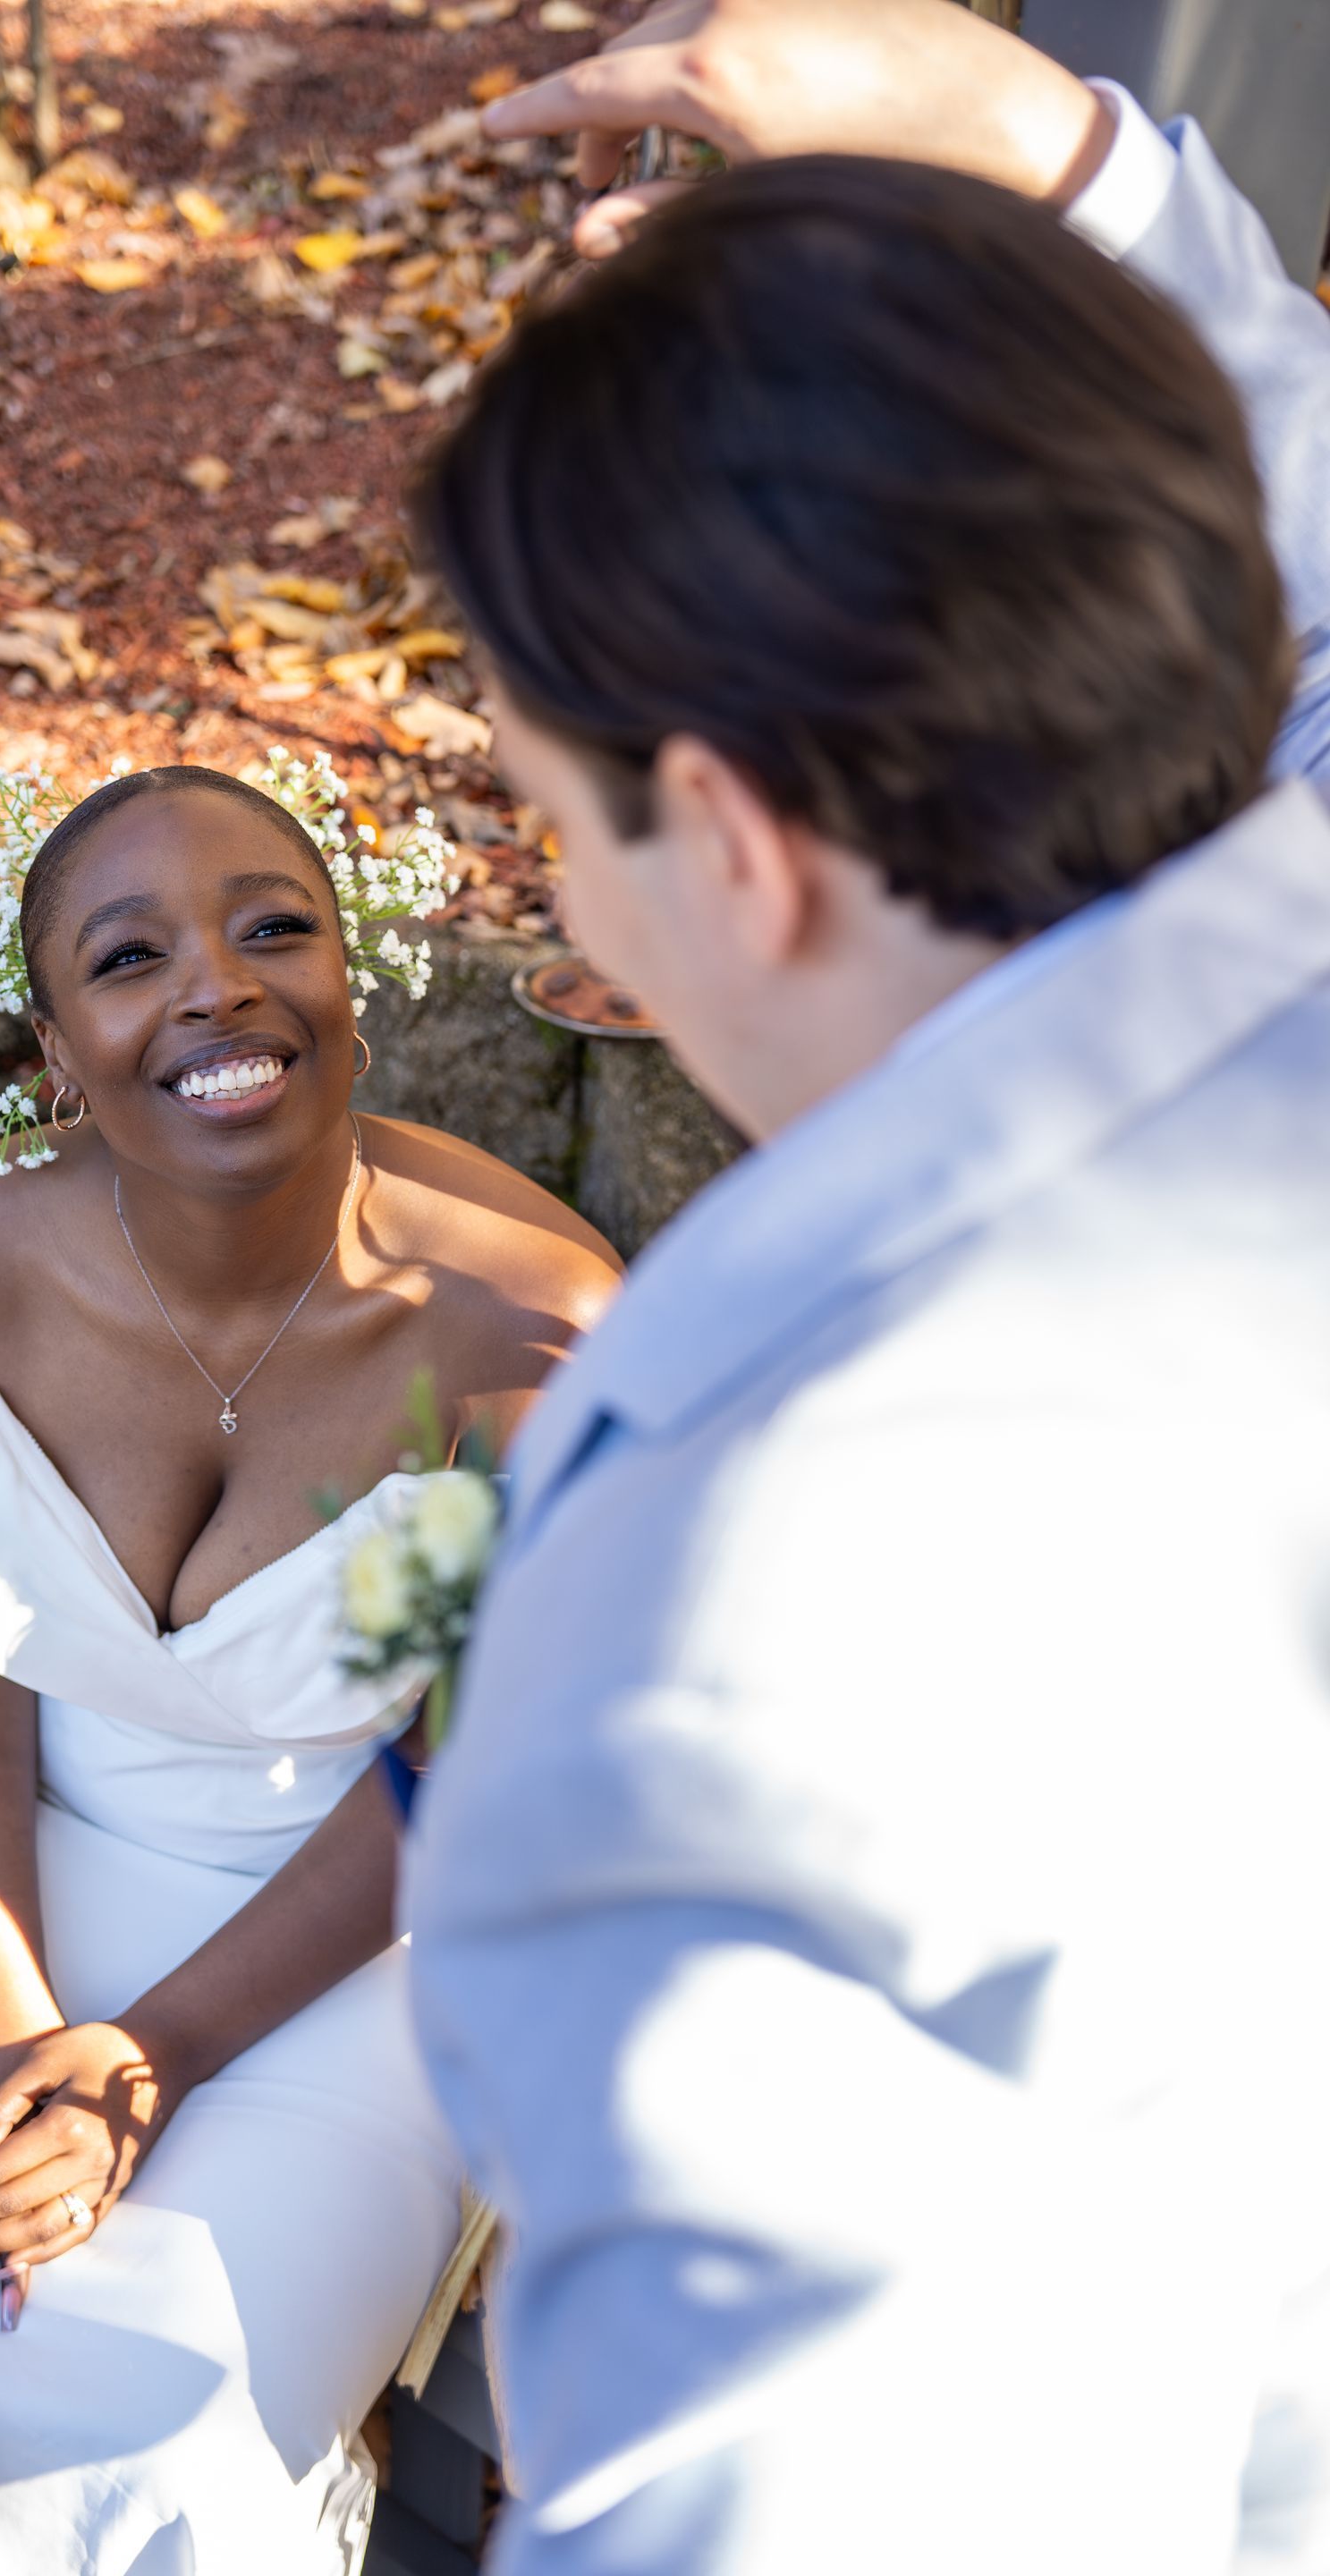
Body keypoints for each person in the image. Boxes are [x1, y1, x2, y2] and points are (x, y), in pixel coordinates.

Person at [403, 4, 1330, 2570]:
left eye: (544, 812)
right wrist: (1035, 144)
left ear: (731, 834)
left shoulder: (739, 1629)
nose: (561, 897)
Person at [0, 765, 619, 2574]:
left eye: (273, 930)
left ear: (353, 1002)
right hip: (12, 1859)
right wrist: (1, 1994)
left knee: (184, 2402)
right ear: (59, 1053)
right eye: (133, 954)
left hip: (371, 1930)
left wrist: (143, 2062)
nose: (218, 986)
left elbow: (449, 1774)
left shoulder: (519, 1326)